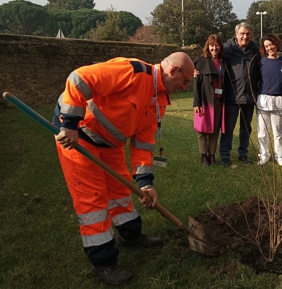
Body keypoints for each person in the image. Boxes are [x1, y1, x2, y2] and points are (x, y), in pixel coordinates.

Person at [53, 52, 194, 285]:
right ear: (173, 71)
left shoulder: (160, 101)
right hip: (79, 136)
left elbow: (142, 144)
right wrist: (68, 124)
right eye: (186, 80)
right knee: (93, 201)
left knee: (120, 190)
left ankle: (131, 236)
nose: (185, 86)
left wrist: (146, 183)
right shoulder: (132, 72)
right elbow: (79, 79)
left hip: (110, 143)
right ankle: (103, 263)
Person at [220, 22, 261, 167]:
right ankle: (225, 155)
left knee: (246, 127)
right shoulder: (226, 49)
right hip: (232, 96)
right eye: (242, 34)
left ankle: (243, 153)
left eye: (248, 34)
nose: (245, 36)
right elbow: (210, 58)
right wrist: (196, 70)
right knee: (228, 128)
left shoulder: (255, 50)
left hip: (249, 96)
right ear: (236, 34)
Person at [257, 33, 282, 166]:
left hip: (279, 100)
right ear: (264, 48)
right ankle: (264, 155)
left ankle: (279, 155)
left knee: (278, 132)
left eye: (271, 44)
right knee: (262, 133)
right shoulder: (261, 62)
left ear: (276, 43)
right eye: (267, 46)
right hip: (263, 100)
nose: (270, 48)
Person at [193, 34, 225, 166]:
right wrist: (197, 103)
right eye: (212, 45)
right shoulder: (201, 62)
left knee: (214, 130)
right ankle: (203, 156)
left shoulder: (224, 62)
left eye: (217, 45)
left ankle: (212, 155)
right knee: (202, 130)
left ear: (220, 47)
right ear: (208, 46)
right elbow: (196, 84)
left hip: (219, 101)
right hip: (205, 101)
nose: (214, 48)